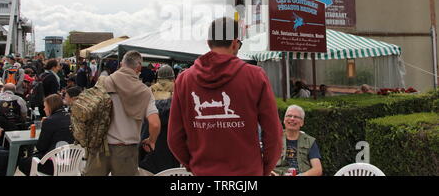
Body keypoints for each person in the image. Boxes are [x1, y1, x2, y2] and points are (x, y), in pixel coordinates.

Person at [168, 17, 283, 176]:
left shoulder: (184, 80)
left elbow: (174, 138)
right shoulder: (255, 76)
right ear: (235, 43)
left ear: (208, 42)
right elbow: (274, 134)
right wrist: (264, 169)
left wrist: (194, 165)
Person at [84, 50, 160, 176]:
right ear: (139, 67)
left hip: (99, 146)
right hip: (126, 150)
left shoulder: (103, 82)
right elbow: (155, 124)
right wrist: (151, 140)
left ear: (120, 64)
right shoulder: (145, 91)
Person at [18, 94, 74, 176]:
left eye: (45, 106)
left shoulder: (49, 121)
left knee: (23, 163)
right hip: (73, 161)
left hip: (55, 163)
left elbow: (41, 147)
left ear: (50, 107)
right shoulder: (72, 117)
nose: (44, 109)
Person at [272, 105, 322, 176]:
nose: (292, 119)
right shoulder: (274, 138)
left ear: (302, 122)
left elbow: (317, 169)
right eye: (289, 116)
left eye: (296, 117)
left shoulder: (309, 141)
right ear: (284, 120)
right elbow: (263, 162)